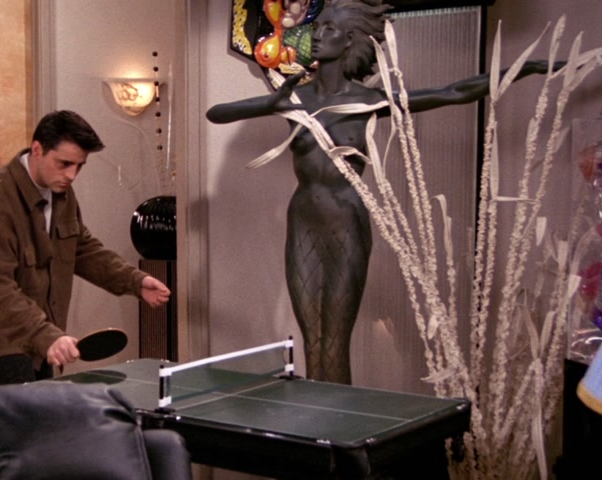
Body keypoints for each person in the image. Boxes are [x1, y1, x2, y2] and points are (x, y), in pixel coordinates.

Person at [206, 0, 556, 384]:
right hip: (303, 220)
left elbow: (453, 92)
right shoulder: (295, 98)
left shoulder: (367, 100)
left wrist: (523, 68)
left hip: (346, 222)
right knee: (312, 341)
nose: (317, 35)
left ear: (349, 40)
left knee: (335, 341)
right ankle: (316, 419)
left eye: (328, 29)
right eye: (317, 28)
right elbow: (216, 113)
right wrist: (272, 102)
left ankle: (340, 418)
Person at [0, 110, 171, 386]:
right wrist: (47, 336)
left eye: (79, 166)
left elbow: (82, 249)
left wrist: (135, 281)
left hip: (41, 321)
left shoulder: (61, 192)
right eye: (64, 163)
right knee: (27, 408)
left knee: (45, 404)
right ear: (37, 150)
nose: (71, 175)